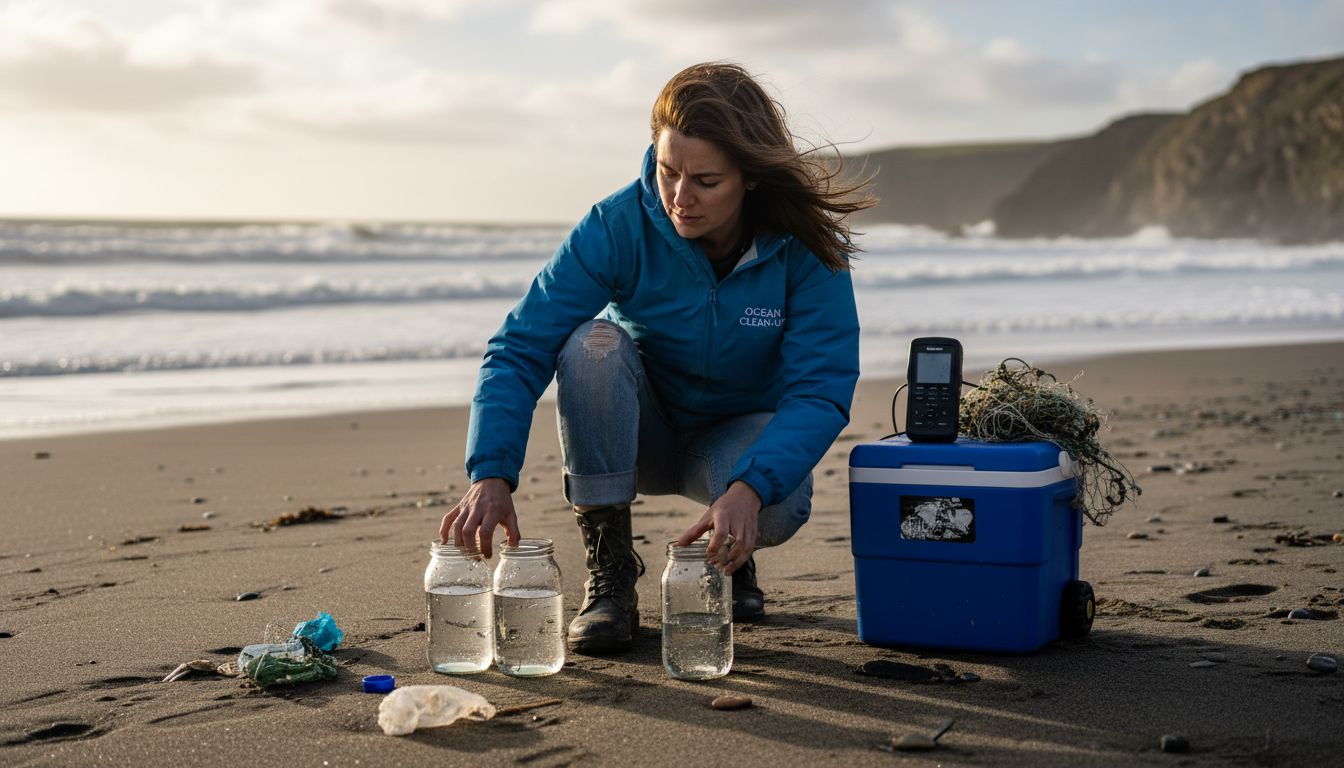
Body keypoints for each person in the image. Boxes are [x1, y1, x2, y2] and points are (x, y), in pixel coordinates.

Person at [439, 61, 873, 655]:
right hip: (636, 430)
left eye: (705, 181)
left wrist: (750, 487)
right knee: (591, 344)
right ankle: (612, 573)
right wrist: (489, 471)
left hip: (732, 441)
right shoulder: (618, 225)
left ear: (749, 177)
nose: (679, 197)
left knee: (775, 506)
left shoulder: (804, 248)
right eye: (668, 172)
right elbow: (519, 346)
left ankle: (731, 554)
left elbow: (821, 387)